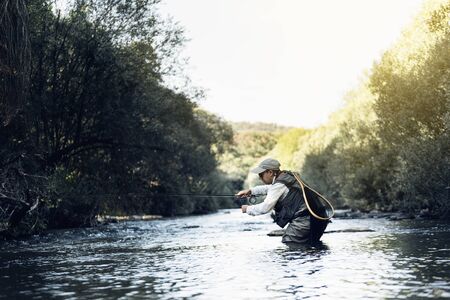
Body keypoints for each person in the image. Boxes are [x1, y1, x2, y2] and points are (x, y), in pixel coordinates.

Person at [236, 158, 329, 244]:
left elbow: (265, 208)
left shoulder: (280, 184)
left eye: (261, 174)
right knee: (311, 248)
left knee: (289, 243)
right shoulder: (287, 177)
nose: (260, 177)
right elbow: (272, 188)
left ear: (270, 172)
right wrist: (251, 191)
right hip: (319, 218)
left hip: (305, 221)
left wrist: (247, 209)